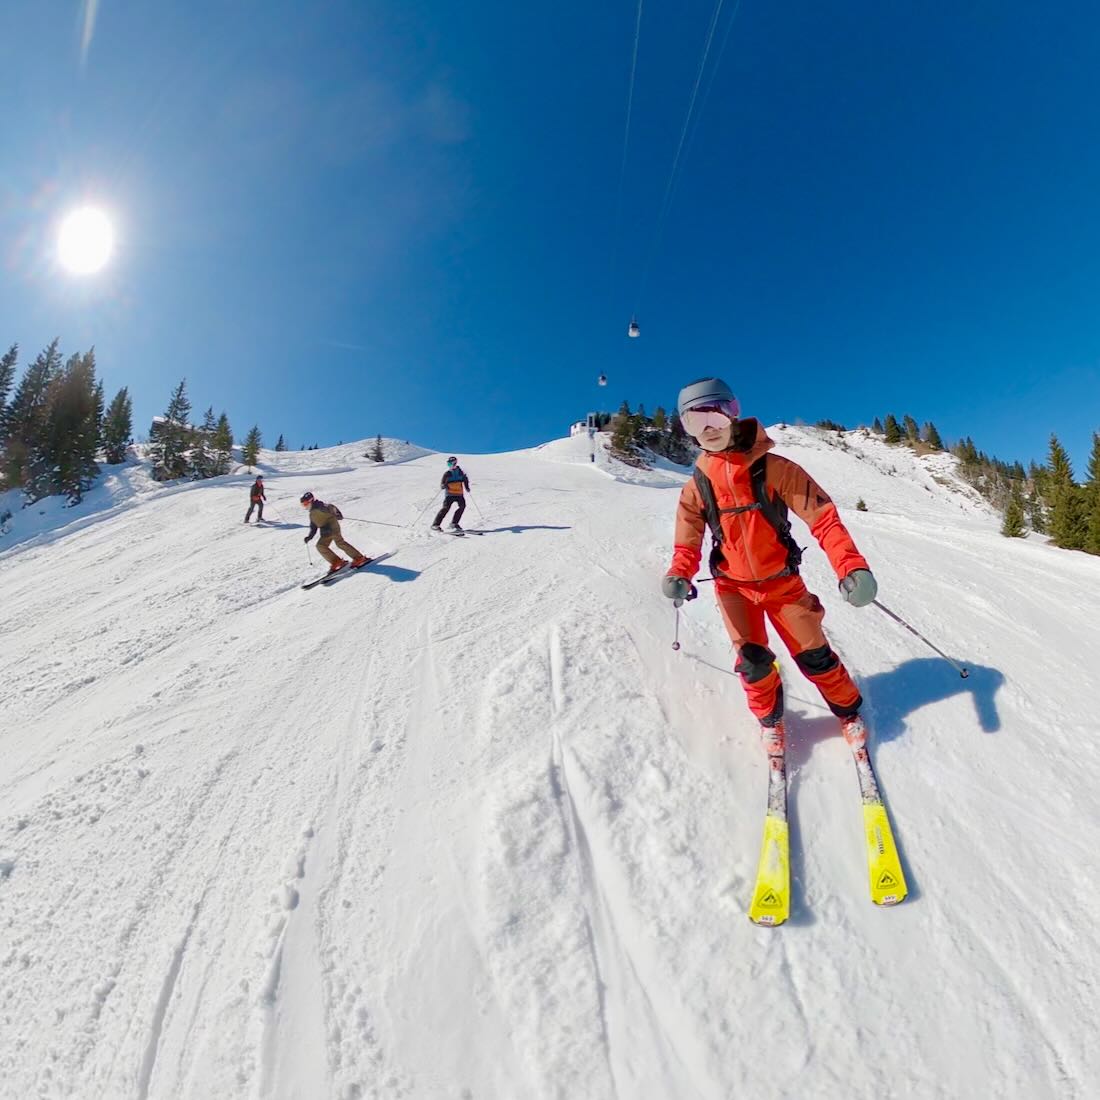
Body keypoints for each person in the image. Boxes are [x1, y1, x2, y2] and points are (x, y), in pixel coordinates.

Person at [663, 377, 878, 756]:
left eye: (715, 415)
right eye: (694, 422)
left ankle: (848, 711)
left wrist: (851, 567)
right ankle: (770, 720)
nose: (708, 429)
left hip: (782, 584)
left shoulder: (774, 469)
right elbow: (688, 538)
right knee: (753, 663)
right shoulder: (697, 486)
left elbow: (823, 519)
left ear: (733, 413)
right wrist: (680, 572)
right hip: (733, 589)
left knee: (815, 655)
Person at [300, 491, 369, 574]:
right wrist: (309, 537)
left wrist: (338, 514)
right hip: (325, 531)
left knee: (339, 543)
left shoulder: (320, 506)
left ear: (311, 501)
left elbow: (331, 507)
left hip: (332, 526)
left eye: (305, 503)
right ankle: (337, 561)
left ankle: (359, 558)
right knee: (320, 546)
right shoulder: (311, 514)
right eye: (303, 504)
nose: (305, 506)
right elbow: (313, 526)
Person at [431, 457, 470, 531]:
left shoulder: (461, 472)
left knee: (462, 506)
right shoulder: (447, 473)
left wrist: (467, 487)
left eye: (450, 464)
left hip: (459, 494)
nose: (449, 466)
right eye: (448, 464)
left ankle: (454, 523)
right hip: (450, 494)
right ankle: (435, 525)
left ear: (454, 463)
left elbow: (465, 480)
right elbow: (443, 483)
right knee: (445, 508)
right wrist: (443, 485)